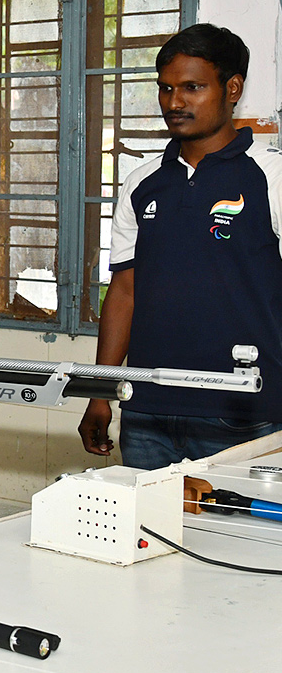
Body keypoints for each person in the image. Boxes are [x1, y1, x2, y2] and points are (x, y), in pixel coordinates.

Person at [78, 24, 282, 469]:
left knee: (239, 539)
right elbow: (124, 293)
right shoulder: (141, 183)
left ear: (232, 88)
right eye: (166, 88)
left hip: (245, 414)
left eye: (192, 87)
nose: (174, 102)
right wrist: (100, 393)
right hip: (147, 412)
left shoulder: (271, 177)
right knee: (148, 537)